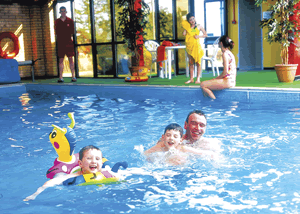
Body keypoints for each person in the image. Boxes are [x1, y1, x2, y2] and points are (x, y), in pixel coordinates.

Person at [24, 145, 124, 201]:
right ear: (80, 163)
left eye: (97, 159)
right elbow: (52, 182)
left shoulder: (105, 171)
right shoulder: (75, 175)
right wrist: (35, 194)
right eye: (89, 158)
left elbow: (125, 174)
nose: (94, 161)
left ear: (101, 162)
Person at [144, 123, 215, 165]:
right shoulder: (160, 146)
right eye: (168, 135)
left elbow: (206, 153)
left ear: (181, 140)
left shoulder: (182, 148)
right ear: (163, 137)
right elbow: (145, 154)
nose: (171, 138)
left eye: (175, 136)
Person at [154, 110, 221, 154]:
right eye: (194, 123)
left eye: (202, 125)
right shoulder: (169, 141)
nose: (198, 128)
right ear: (185, 125)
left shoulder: (211, 144)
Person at [182, 13, 207, 84]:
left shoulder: (199, 26)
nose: (192, 21)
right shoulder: (188, 27)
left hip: (196, 46)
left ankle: (198, 78)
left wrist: (199, 36)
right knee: (191, 62)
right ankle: (191, 78)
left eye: (193, 19)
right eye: (190, 20)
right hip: (189, 46)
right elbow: (184, 34)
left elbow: (205, 35)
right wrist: (186, 28)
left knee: (198, 62)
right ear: (188, 21)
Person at [54, 6, 76, 83]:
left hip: (69, 43)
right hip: (60, 43)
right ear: (60, 12)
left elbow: (72, 32)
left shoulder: (70, 21)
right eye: (61, 11)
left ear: (66, 12)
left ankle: (73, 76)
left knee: (71, 59)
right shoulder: (57, 22)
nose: (63, 12)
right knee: (61, 60)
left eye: (64, 11)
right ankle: (60, 77)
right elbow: (56, 32)